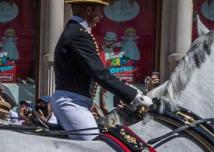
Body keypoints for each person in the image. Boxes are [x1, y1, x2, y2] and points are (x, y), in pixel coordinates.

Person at [51, 0, 151, 140]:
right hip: (72, 102)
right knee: (93, 150)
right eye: (99, 10)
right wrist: (135, 97)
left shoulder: (74, 31)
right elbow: (99, 73)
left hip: (75, 101)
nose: (101, 16)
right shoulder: (78, 34)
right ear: (88, 10)